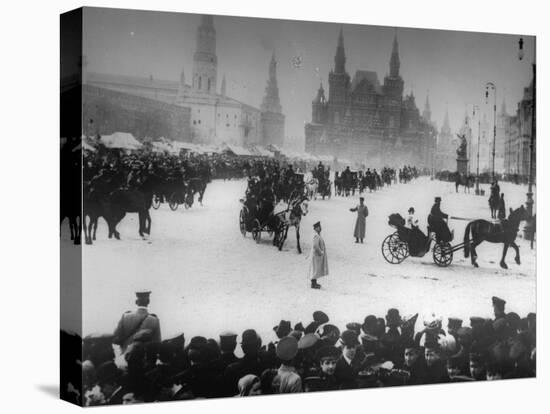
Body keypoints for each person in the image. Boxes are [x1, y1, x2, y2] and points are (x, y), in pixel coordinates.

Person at [308, 221, 328, 290]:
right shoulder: (316, 236)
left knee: (316, 269)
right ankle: (313, 284)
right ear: (316, 228)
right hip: (316, 255)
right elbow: (316, 245)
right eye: (319, 227)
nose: (320, 228)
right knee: (315, 269)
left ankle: (314, 282)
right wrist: (320, 252)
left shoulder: (317, 235)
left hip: (316, 255)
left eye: (320, 227)